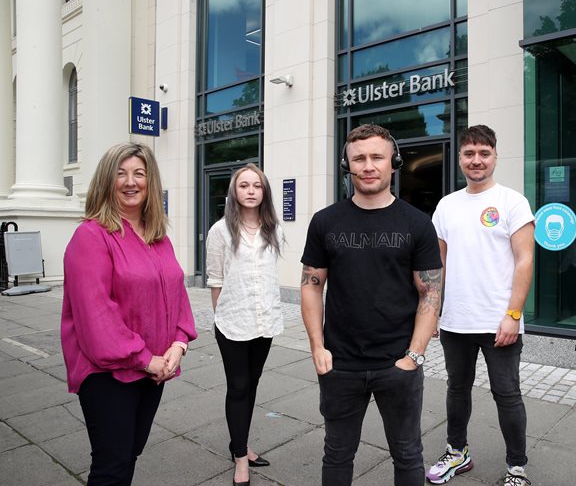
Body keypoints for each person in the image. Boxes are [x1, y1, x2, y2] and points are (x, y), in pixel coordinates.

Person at [300, 123, 443, 485]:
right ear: (347, 165)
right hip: (340, 364)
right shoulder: (325, 221)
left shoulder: (417, 223)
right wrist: (318, 347)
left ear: (392, 162)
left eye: (377, 157)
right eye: (359, 158)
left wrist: (414, 356)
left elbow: (430, 293)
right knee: (336, 454)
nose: (368, 165)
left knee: (408, 454)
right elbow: (311, 285)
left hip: (398, 364)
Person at [61, 142, 197, 485]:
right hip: (109, 373)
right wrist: (145, 358)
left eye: (139, 173)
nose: (130, 181)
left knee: (129, 452)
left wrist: (178, 345)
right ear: (107, 182)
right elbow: (96, 315)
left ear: (150, 182)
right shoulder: (90, 236)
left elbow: (177, 291)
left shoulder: (157, 237)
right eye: (120, 173)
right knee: (111, 466)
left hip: (154, 369)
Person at [427, 125, 535, 486]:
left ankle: (516, 467)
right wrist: (432, 313)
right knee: (457, 389)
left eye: (484, 153)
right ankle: (457, 452)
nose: (477, 160)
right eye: (469, 153)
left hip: (499, 323)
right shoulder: (446, 205)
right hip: (456, 321)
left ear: (495, 156)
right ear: (460, 158)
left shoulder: (512, 202)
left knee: (507, 395)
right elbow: (437, 267)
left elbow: (525, 261)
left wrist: (513, 315)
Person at [206, 163, 284, 486]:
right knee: (238, 387)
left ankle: (241, 442)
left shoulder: (274, 229)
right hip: (233, 323)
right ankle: (240, 458)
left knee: (251, 385)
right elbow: (215, 280)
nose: (251, 190)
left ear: (264, 192)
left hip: (264, 321)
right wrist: (221, 318)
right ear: (234, 192)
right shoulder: (220, 231)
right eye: (244, 185)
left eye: (257, 185)